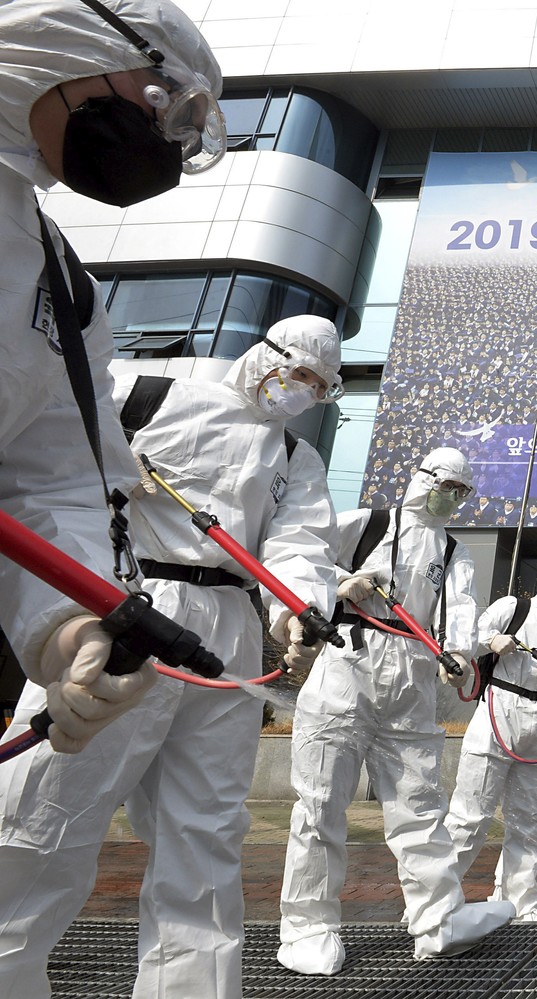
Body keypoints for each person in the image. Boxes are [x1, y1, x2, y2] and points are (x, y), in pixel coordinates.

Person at [0, 308, 339, 997]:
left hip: (230, 632)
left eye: (320, 387)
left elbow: (302, 544)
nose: (301, 390)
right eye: (297, 372)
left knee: (206, 835)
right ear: (265, 353)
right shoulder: (151, 392)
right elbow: (56, 465)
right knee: (42, 814)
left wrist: (302, 610)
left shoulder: (298, 459)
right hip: (124, 604)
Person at [0, 0, 226, 764]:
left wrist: (67, 625)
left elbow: (54, 479)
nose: (171, 141)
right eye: (177, 106)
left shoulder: (64, 288)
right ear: (89, 44)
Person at [279, 446, 511, 974]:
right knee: (319, 805)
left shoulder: (454, 553)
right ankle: (307, 928)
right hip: (347, 666)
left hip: (411, 679)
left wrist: (458, 652)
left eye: (461, 492)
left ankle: (438, 919)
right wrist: (339, 586)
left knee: (421, 808)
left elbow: (462, 615)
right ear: (422, 478)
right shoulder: (368, 523)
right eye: (446, 486)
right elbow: (299, 562)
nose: (451, 498)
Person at [444, 559, 537, 920]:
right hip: (499, 712)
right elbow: (465, 640)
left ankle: (521, 903)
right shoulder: (514, 608)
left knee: (527, 820)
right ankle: (434, 901)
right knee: (470, 816)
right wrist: (490, 641)